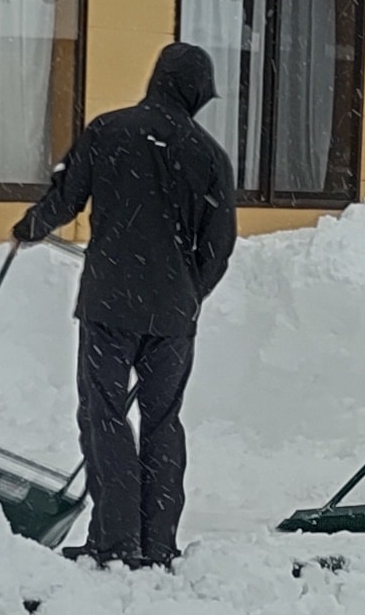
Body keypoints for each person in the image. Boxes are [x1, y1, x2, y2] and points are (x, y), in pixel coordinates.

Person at [14, 42, 236, 568]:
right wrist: (188, 293)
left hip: (109, 305)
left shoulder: (108, 131)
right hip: (173, 317)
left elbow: (67, 197)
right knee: (163, 422)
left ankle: (116, 540)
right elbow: (219, 245)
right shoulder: (208, 155)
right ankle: (157, 542)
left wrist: (31, 226)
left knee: (105, 415)